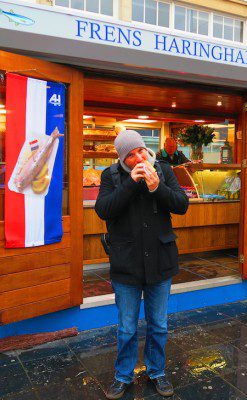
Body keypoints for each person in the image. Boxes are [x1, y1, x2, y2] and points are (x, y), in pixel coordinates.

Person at [95, 130, 189, 399]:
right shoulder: (111, 176)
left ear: (146, 149)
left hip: (160, 260)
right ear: (122, 158)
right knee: (126, 327)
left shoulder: (164, 170)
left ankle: (157, 371)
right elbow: (104, 210)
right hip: (126, 263)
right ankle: (123, 375)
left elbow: (181, 205)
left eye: (140, 151)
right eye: (130, 155)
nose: (138, 158)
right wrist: (131, 184)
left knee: (158, 324)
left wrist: (156, 186)